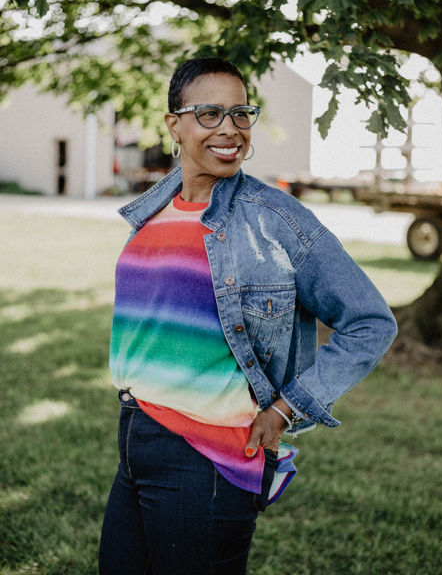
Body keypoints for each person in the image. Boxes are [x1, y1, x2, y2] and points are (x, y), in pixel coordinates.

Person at [99, 57, 398, 575]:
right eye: (210, 114)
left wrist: (287, 408)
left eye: (241, 114)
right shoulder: (152, 210)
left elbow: (370, 321)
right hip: (136, 436)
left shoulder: (276, 219)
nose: (230, 130)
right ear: (175, 124)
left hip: (207, 460)